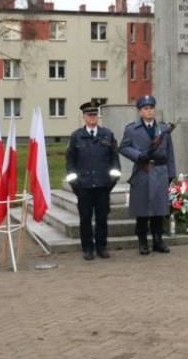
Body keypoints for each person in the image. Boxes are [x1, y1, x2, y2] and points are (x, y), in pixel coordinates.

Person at [120, 95, 176, 255]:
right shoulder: (132, 129)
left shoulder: (163, 128)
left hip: (159, 172)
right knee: (142, 210)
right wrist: (138, 155)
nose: (149, 110)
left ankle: (158, 240)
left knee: (159, 210)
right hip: (142, 172)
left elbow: (170, 152)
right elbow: (123, 147)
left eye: (151, 108)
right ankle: (143, 242)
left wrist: (171, 173)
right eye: (145, 108)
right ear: (140, 111)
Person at [64, 100, 121, 260]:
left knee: (102, 218)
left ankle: (101, 247)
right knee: (85, 218)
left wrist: (112, 181)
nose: (93, 117)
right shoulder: (76, 137)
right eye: (89, 115)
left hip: (103, 185)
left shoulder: (107, 135)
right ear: (84, 117)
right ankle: (87, 248)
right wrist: (75, 183)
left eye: (95, 114)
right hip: (84, 186)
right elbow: (70, 162)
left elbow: (114, 159)